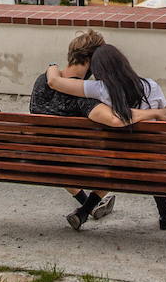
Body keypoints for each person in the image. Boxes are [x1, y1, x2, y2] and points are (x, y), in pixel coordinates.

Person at [46, 43, 166, 232]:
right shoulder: (150, 86)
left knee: (121, 162)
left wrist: (52, 66)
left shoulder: (98, 89)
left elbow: (54, 82)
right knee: (153, 159)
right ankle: (165, 214)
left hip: (116, 159)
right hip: (152, 161)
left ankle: (84, 211)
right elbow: (164, 123)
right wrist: (153, 113)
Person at [28, 30, 118, 222]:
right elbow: (113, 120)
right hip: (76, 161)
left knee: (56, 154)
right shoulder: (85, 95)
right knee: (120, 159)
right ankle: (86, 209)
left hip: (43, 157)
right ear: (92, 60)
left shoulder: (41, 81)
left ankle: (86, 207)